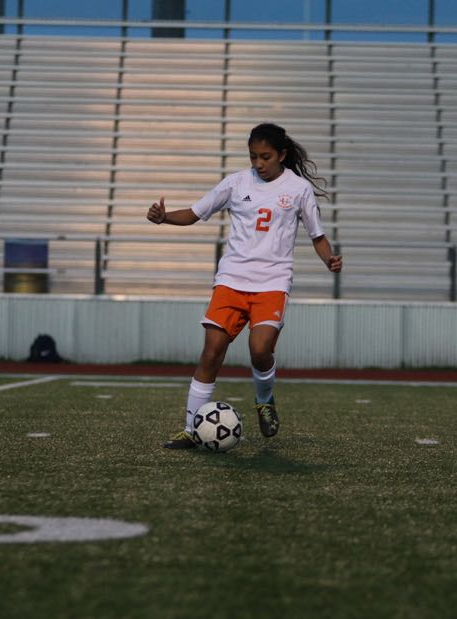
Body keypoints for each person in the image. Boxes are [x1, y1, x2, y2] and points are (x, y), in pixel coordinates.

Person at [146, 123, 342, 449]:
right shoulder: (236, 183)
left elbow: (317, 236)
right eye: (253, 157)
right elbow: (195, 213)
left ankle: (264, 401)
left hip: (272, 283)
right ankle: (191, 431)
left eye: (265, 157)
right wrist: (163, 217)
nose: (258, 163)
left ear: (282, 154)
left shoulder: (298, 189)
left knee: (260, 349)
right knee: (211, 352)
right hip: (231, 280)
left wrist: (329, 259)